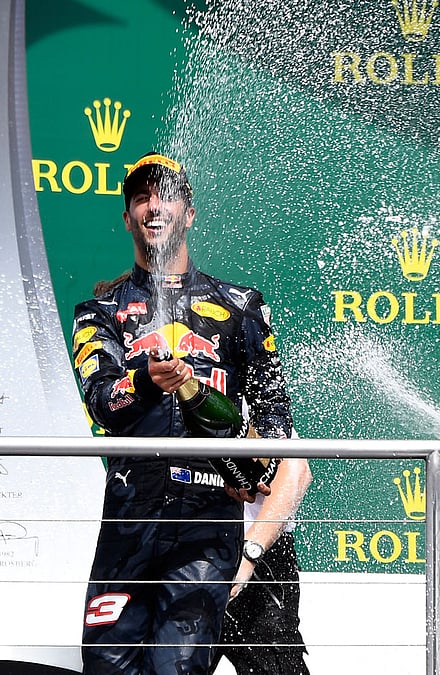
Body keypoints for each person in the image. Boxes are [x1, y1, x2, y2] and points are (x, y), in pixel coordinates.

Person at [72, 151, 297, 674]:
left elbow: (277, 421)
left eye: (167, 196)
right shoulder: (99, 312)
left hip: (205, 527)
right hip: (129, 523)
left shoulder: (241, 305)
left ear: (189, 213)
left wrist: (255, 469)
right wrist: (146, 381)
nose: (155, 207)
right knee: (106, 668)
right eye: (142, 198)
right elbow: (104, 404)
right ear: (127, 217)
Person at [213, 429, 313, 675]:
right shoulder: (147, 400)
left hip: (258, 557)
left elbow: (297, 471)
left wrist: (249, 555)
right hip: (179, 559)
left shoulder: (253, 396)